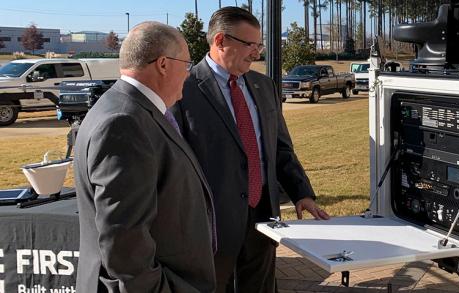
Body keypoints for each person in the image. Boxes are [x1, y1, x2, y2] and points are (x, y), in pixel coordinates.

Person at [171, 7, 331, 292]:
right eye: (250, 45)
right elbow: (174, 164)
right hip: (211, 226)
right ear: (220, 40)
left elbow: (280, 148)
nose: (257, 53)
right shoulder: (183, 89)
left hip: (263, 217)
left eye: (259, 45)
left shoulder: (263, 85)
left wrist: (301, 193)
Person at [74, 21, 216, 292]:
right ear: (163, 64)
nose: (188, 74)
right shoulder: (123, 122)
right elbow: (125, 244)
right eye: (185, 65)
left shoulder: (132, 110)